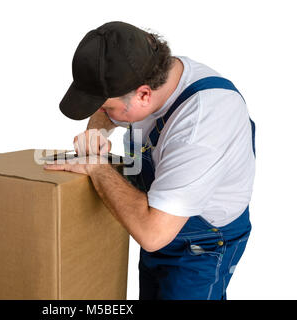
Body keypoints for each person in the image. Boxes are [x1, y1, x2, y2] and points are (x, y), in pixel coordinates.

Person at [44, 21, 255, 300]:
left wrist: (98, 167)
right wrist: (95, 130)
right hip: (160, 220)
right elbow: (112, 109)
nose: (104, 112)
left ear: (143, 94)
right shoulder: (152, 75)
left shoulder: (201, 127)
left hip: (201, 245)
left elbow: (153, 234)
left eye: (106, 106)